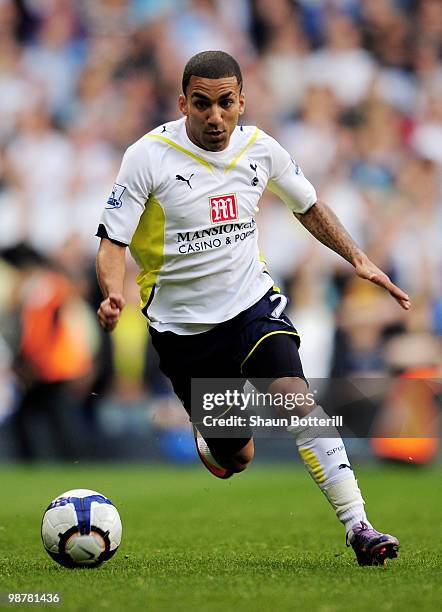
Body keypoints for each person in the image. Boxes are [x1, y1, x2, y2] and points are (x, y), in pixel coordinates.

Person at [95, 51, 410, 566]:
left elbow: (307, 204)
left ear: (242, 101)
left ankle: (360, 526)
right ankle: (213, 440)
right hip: (183, 331)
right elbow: (112, 240)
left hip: (251, 307)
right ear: (183, 104)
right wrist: (112, 293)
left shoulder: (261, 150)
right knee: (237, 456)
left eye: (225, 103)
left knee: (295, 399)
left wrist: (358, 257)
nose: (214, 116)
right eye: (202, 104)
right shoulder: (147, 156)